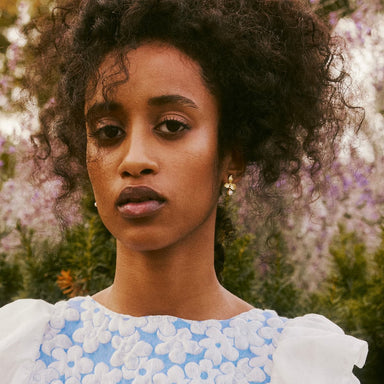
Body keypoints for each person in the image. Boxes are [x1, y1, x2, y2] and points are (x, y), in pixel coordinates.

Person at [0, 0, 368, 383]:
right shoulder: (19, 352)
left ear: (231, 155)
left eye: (172, 126)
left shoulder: (299, 369)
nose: (134, 159)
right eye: (109, 132)